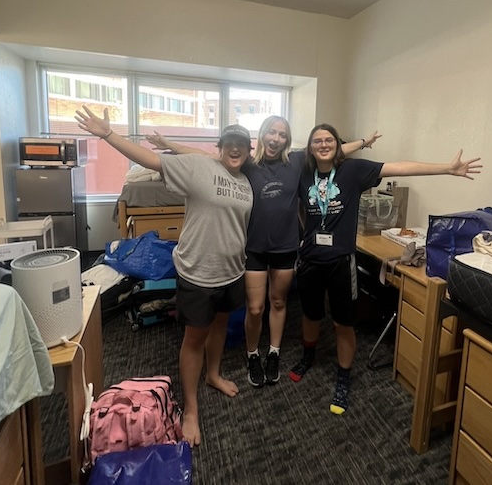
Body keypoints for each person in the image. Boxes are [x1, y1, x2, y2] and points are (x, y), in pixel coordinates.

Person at [146, 117, 381, 388]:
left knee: (279, 303)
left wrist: (364, 142)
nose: (276, 138)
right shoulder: (248, 163)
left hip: (285, 247)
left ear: (287, 139)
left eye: (282, 134)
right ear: (262, 135)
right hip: (254, 248)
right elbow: (209, 157)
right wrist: (169, 145)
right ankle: (253, 353)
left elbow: (330, 149)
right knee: (256, 309)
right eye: (272, 132)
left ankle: (274, 353)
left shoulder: (295, 162)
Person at [75, 105, 253, 448]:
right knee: (194, 338)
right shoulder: (201, 168)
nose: (235, 149)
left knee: (220, 325)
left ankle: (213, 375)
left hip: (232, 271)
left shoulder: (246, 182)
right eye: (229, 143)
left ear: (248, 150)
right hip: (199, 273)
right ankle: (190, 409)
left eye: (241, 144)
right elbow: (151, 160)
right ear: (220, 147)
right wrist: (108, 135)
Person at [290, 123, 482, 415]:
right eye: (317, 141)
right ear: (311, 146)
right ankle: (308, 355)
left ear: (338, 146)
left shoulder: (353, 172)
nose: (323, 144)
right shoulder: (302, 171)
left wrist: (446, 168)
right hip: (310, 260)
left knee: (343, 322)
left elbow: (400, 168)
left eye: (329, 140)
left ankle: (343, 376)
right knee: (311, 314)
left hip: (341, 262)